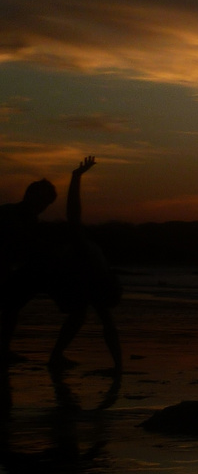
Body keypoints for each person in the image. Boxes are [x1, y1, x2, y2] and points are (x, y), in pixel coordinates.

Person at [46, 157, 122, 375]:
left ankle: (57, 356)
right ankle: (57, 357)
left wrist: (76, 177)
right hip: (92, 281)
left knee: (88, 317)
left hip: (97, 281)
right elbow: (73, 214)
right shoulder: (79, 246)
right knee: (89, 317)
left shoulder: (83, 244)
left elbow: (73, 214)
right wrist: (76, 177)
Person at [2, 176, 57, 362]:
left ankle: (4, 348)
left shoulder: (26, 217)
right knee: (10, 306)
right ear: (31, 197)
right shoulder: (12, 215)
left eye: (46, 204)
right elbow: (24, 244)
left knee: (11, 307)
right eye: (42, 202)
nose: (43, 208)